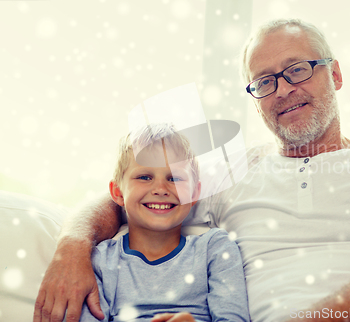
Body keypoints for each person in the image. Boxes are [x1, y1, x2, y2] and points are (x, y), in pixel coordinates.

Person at [34, 19, 350, 322]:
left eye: (297, 69)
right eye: (264, 82)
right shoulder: (233, 175)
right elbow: (136, 198)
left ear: (334, 73)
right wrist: (72, 247)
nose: (283, 90)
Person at [78, 123, 250, 322]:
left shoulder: (215, 249)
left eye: (174, 178)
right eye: (144, 177)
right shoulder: (101, 261)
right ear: (118, 192)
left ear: (194, 193)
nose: (160, 188)